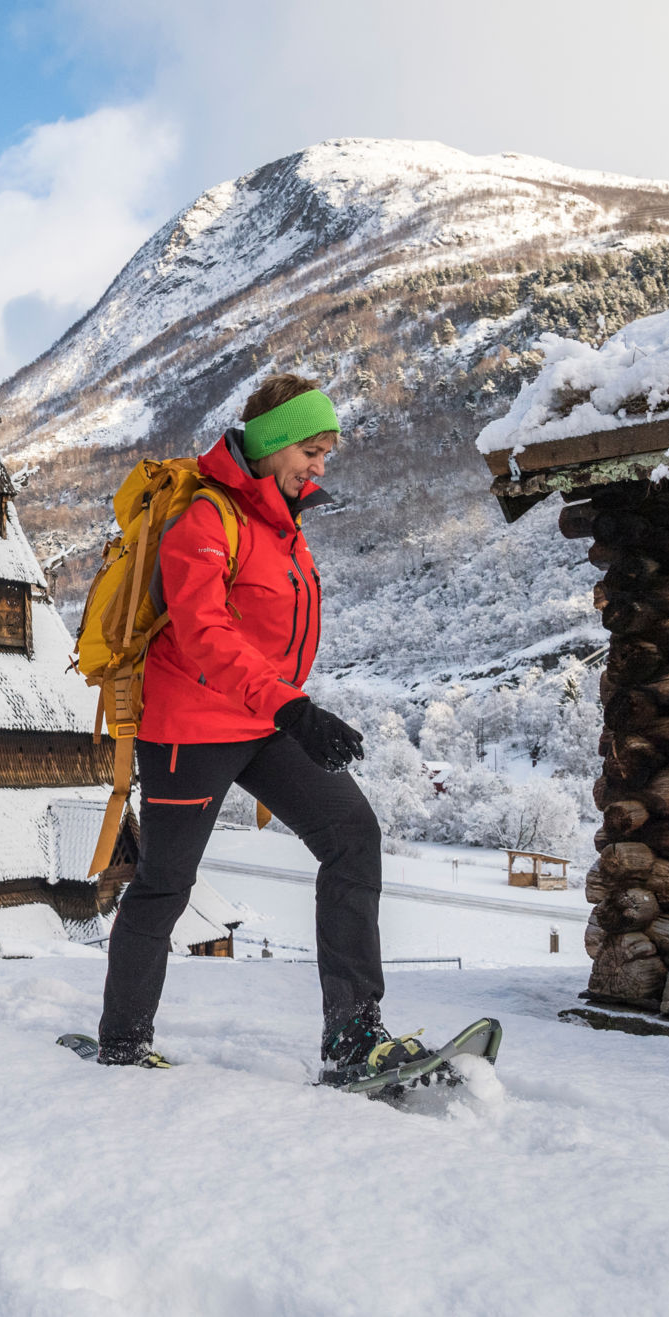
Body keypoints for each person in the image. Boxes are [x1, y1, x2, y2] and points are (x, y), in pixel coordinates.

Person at [96, 373, 422, 1082]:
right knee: (166, 881)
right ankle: (121, 1039)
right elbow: (203, 629)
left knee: (351, 834)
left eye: (327, 451)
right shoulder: (207, 520)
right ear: (273, 444)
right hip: (188, 726)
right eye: (312, 448)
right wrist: (292, 707)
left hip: (261, 716)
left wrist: (284, 705)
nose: (320, 464)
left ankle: (353, 1034)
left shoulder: (283, 526)